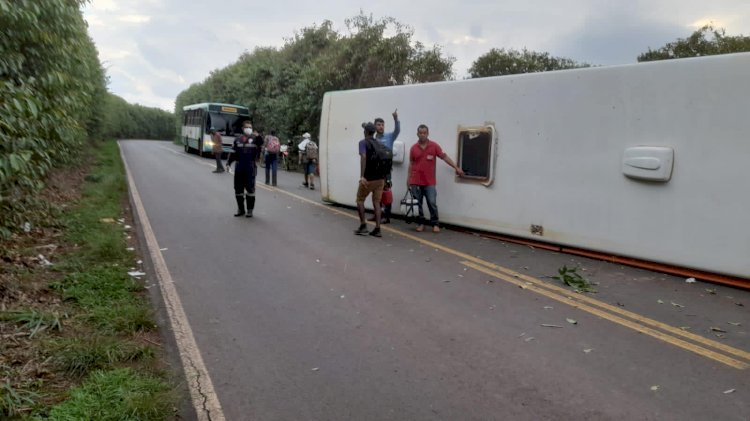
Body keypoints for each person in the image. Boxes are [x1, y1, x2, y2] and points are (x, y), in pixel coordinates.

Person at [407, 124, 464, 233]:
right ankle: (421, 223)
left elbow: (444, 157)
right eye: (420, 133)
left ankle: (435, 223)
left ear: (428, 134)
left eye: (425, 133)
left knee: (432, 202)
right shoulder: (413, 148)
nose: (422, 135)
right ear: (417, 134)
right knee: (417, 203)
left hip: (429, 182)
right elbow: (411, 163)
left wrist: (456, 167)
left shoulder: (434, 146)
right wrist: (408, 179)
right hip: (416, 181)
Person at [367, 109, 400, 221]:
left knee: (386, 191)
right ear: (375, 127)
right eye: (378, 125)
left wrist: (396, 119)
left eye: (382, 125)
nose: (381, 126)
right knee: (376, 192)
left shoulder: (390, 136)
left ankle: (387, 216)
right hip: (375, 170)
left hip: (386, 169)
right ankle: (377, 214)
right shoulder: (373, 138)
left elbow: (397, 131)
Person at [354, 122, 385, 237]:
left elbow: (363, 157)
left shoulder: (363, 143)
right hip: (380, 179)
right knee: (377, 202)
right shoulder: (379, 144)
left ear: (365, 132)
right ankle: (377, 229)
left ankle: (363, 226)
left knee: (360, 199)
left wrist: (362, 176)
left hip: (368, 178)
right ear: (374, 132)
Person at [226, 121, 263, 217]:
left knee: (250, 190)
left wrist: (258, 136)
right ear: (243, 128)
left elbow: (261, 143)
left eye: (250, 127)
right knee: (238, 189)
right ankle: (241, 209)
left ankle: (250, 210)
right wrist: (228, 163)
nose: (249, 129)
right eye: (247, 127)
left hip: (250, 168)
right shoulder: (237, 140)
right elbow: (233, 153)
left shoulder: (255, 139)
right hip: (239, 167)